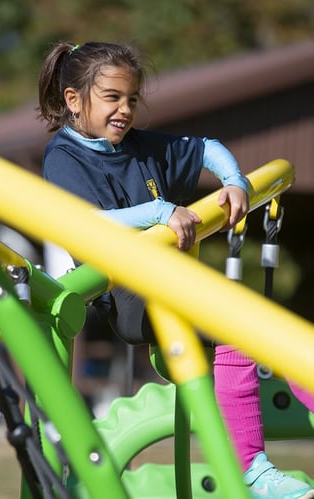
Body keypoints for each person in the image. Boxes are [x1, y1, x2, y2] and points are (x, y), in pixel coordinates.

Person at [38, 40, 314, 499]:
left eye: (131, 98)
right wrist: (159, 211)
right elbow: (82, 223)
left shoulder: (141, 146)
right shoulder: (64, 158)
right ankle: (252, 471)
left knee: (275, 332)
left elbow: (208, 148)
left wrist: (233, 181)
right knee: (239, 323)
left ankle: (254, 464)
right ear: (73, 99)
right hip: (128, 294)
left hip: (174, 284)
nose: (124, 110)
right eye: (111, 97)